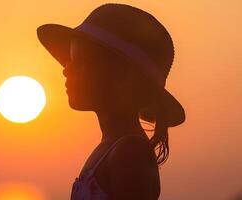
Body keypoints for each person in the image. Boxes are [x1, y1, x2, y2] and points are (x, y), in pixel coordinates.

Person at [37, 3, 186, 200]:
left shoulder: (130, 153)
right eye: (69, 60)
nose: (66, 69)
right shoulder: (112, 149)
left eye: (81, 61)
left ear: (121, 77)